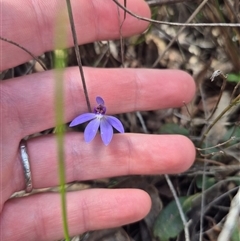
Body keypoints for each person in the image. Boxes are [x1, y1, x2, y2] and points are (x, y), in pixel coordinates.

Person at [0, 0, 196, 240]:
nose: (101, 110)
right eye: (99, 108)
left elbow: (116, 128)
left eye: (102, 108)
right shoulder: (89, 116)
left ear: (104, 109)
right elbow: (79, 122)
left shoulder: (109, 122)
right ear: (97, 108)